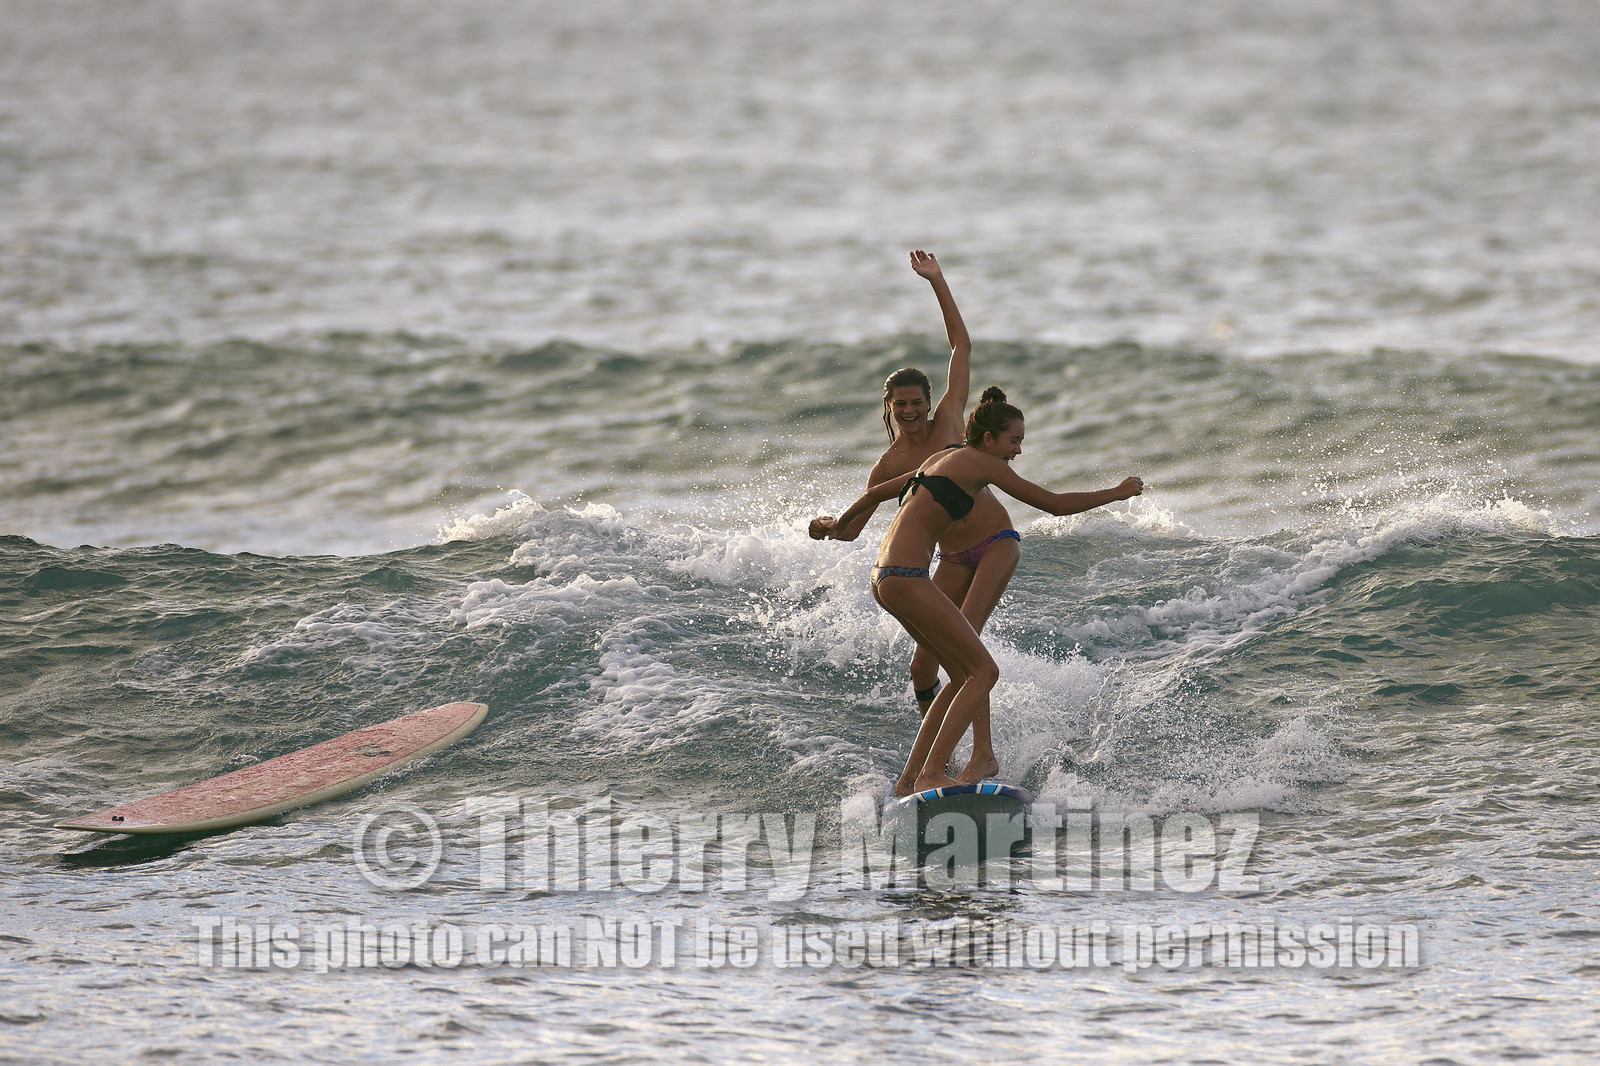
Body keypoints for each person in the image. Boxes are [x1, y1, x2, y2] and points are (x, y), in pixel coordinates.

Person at [824, 388, 1143, 795]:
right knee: (984, 672)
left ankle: (909, 782)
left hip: (884, 578)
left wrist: (839, 527)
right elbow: (1054, 504)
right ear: (989, 439)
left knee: (961, 675)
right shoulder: (979, 463)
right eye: (1014, 440)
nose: (1018, 450)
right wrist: (1116, 491)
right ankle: (934, 773)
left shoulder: (942, 458)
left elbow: (876, 493)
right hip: (907, 575)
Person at [809, 252, 1022, 781]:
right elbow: (856, 530)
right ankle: (943, 762)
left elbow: (961, 345)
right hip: (950, 558)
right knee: (922, 667)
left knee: (965, 660)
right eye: (899, 404)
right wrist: (831, 528)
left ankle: (978, 758)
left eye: (916, 402)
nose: (909, 411)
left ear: (931, 402)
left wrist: (937, 281)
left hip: (992, 543)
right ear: (887, 407)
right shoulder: (888, 465)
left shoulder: (950, 424)